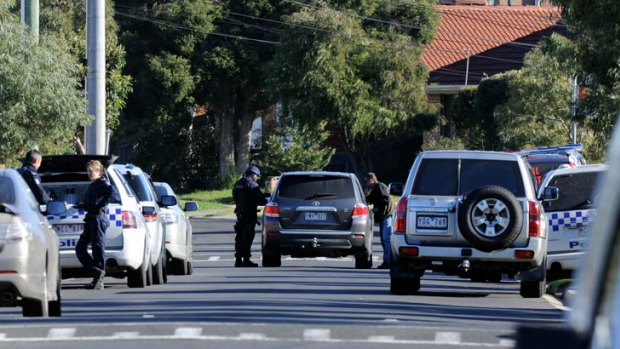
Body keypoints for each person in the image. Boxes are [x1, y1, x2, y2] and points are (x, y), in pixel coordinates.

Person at [76, 160, 113, 289]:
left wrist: (99, 206)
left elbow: (110, 192)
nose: (90, 173)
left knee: (98, 249)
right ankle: (96, 272)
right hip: (91, 219)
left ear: (100, 171)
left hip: (98, 218)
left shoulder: (102, 184)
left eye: (93, 171)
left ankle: (98, 279)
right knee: (80, 248)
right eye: (89, 171)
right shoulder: (93, 185)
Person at [232, 166, 267, 267]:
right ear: (253, 174)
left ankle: (238, 260)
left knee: (239, 237)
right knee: (248, 237)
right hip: (249, 215)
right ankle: (246, 260)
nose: (257, 178)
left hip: (240, 214)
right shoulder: (252, 184)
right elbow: (261, 199)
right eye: (257, 176)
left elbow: (235, 198)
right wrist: (265, 199)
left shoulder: (238, 183)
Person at [365, 172, 394, 269]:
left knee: (386, 240)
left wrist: (376, 208)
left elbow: (386, 199)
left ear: (372, 180)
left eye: (367, 181)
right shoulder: (375, 189)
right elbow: (369, 199)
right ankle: (387, 261)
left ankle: (388, 262)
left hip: (386, 216)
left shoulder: (380, 187)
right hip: (383, 217)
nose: (367, 183)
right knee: (384, 240)